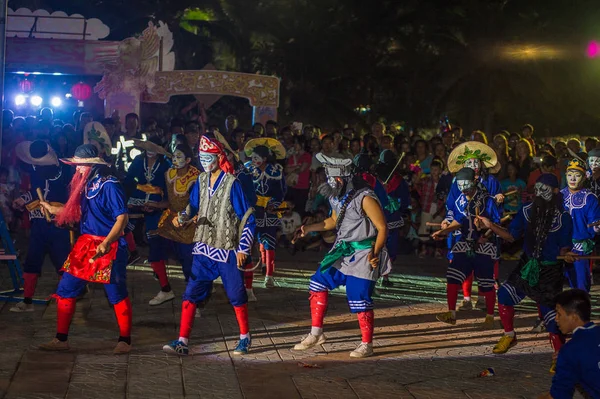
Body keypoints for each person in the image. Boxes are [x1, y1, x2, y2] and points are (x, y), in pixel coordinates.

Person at [162, 135, 255, 356]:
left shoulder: (233, 183)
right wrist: (183, 217)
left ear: (218, 157)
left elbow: (248, 217)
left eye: (209, 157)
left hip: (227, 247)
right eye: (202, 157)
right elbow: (193, 206)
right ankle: (182, 341)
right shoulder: (201, 181)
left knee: (236, 294)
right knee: (191, 292)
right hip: (203, 247)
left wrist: (243, 248)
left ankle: (245, 337)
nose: (205, 161)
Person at [292, 154, 391, 358]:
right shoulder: (336, 196)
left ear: (342, 178)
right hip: (342, 250)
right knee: (318, 282)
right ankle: (316, 333)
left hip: (364, 252)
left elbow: (382, 228)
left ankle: (366, 344)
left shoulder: (366, 197)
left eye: (332, 179)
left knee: (359, 296)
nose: (329, 182)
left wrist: (375, 252)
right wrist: (309, 228)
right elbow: (333, 220)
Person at [37, 144, 132, 353]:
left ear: (91, 165)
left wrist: (106, 243)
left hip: (109, 246)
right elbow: (79, 211)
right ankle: (61, 340)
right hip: (86, 245)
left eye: (79, 166)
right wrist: (53, 209)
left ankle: (125, 341)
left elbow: (122, 218)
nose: (76, 169)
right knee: (65, 290)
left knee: (116, 294)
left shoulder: (110, 185)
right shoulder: (87, 183)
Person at [476, 174, 575, 372]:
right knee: (504, 295)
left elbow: (564, 249)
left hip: (549, 271)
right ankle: (510, 335)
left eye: (545, 189)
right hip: (527, 265)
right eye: (538, 189)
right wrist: (490, 226)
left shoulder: (564, 217)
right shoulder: (527, 210)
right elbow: (511, 236)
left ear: (556, 192)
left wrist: (568, 255)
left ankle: (559, 356)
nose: (540, 193)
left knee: (550, 317)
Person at [432, 167, 500, 328]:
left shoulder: (487, 200)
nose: (463, 188)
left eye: (466, 184)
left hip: (483, 245)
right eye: (460, 185)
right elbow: (458, 221)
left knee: (486, 282)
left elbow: (496, 222)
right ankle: (451, 313)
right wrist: (443, 231)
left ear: (475, 181)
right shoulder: (459, 200)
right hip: (463, 242)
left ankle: (490, 316)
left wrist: (486, 234)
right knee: (452, 277)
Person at [9, 140, 71, 312]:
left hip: (59, 225)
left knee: (63, 263)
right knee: (32, 261)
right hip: (39, 225)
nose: (36, 167)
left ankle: (67, 299)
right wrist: (22, 200)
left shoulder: (65, 172)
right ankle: (27, 301)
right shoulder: (37, 171)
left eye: (40, 164)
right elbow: (34, 192)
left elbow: (72, 199)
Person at [444, 141, 503, 311]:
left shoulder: (490, 181)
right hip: (463, 231)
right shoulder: (457, 182)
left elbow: (494, 210)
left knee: (485, 266)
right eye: (469, 162)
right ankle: (466, 298)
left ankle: (485, 300)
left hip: (484, 230)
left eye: (476, 162)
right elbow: (451, 207)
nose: (473, 165)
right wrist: (448, 221)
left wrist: (497, 200)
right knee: (461, 264)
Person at [125, 137, 171, 305]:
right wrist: (138, 187)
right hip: (137, 199)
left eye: (154, 148)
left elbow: (169, 187)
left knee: (155, 238)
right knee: (124, 224)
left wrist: (160, 202)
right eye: (148, 148)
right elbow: (129, 179)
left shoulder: (166, 164)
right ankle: (133, 252)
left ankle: (163, 279)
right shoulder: (138, 160)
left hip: (158, 203)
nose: (150, 151)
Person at [537, 289, 600, 399]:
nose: (556, 319)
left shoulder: (569, 351)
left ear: (574, 317)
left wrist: (567, 360)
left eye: (559, 314)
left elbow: (558, 396)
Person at [244, 138, 287, 288]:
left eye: (257, 158)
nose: (253, 160)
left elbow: (281, 191)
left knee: (269, 241)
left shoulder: (276, 170)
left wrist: (273, 203)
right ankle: (248, 275)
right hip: (253, 209)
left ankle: (269, 274)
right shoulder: (247, 169)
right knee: (250, 240)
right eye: (253, 157)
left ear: (265, 159)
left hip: (270, 210)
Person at [156, 143, 200, 285]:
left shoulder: (195, 177)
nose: (175, 159)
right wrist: (155, 205)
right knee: (177, 255)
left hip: (190, 223)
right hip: (173, 220)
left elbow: (197, 203)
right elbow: (169, 200)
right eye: (174, 156)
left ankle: (195, 292)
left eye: (179, 156)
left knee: (189, 259)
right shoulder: (169, 173)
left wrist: (185, 216)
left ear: (188, 160)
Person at [561, 159, 600, 292]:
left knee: (581, 285)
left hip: (580, 247)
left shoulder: (590, 198)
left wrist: (596, 227)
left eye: (577, 175)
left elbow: (594, 223)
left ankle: (581, 310)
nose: (572, 178)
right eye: (569, 175)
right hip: (561, 247)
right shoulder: (559, 196)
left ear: (583, 177)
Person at [376, 150, 409, 284]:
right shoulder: (375, 179)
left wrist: (395, 202)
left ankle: (384, 275)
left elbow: (404, 200)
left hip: (388, 217)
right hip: (382, 216)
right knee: (386, 246)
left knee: (389, 247)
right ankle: (380, 275)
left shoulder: (398, 181)